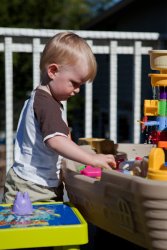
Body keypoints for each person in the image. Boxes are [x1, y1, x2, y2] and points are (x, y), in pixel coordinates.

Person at [4, 31, 116, 204]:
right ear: (53, 71)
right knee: (37, 229)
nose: (77, 90)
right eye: (74, 83)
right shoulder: (46, 104)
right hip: (33, 188)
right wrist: (92, 159)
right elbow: (56, 140)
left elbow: (62, 135)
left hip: (35, 183)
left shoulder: (45, 100)